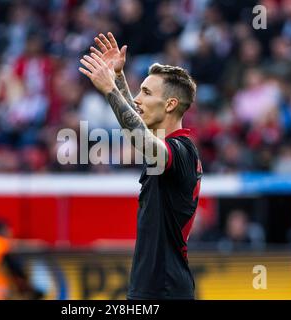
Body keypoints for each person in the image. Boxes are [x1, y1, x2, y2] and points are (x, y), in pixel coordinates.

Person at [79, 32, 202, 299]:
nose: (137, 98)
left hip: (164, 290)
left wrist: (111, 89)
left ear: (170, 104)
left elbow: (141, 138)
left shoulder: (181, 151)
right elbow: (138, 129)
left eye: (145, 92)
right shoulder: (170, 147)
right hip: (153, 287)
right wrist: (119, 77)